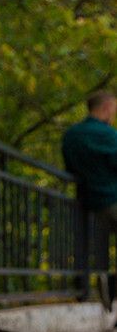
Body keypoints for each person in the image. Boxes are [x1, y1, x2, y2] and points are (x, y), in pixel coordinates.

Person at [62, 90, 117, 312]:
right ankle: (112, 284)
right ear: (106, 108)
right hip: (112, 197)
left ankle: (102, 283)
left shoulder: (71, 135)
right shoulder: (108, 135)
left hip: (87, 200)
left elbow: (70, 166)